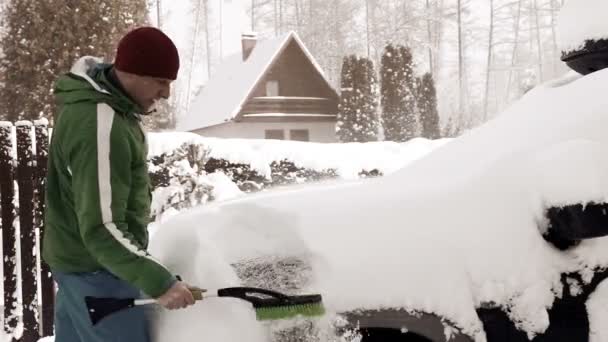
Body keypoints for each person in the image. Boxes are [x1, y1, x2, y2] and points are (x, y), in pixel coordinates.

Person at [42, 27, 195, 341]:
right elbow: (102, 226)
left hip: (81, 266)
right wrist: (160, 282)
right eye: (161, 82)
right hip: (97, 272)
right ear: (133, 73)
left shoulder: (110, 109)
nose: (166, 94)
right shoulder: (100, 123)